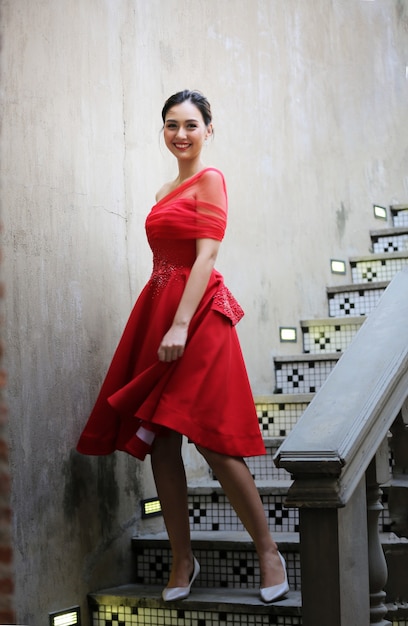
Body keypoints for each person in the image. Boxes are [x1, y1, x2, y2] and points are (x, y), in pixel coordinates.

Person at [76, 89, 289, 603]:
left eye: (191, 125)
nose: (180, 134)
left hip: (199, 319)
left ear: (208, 130)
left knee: (212, 440)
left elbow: (206, 257)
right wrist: (163, 322)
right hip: (158, 311)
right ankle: (182, 558)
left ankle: (268, 551)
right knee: (162, 443)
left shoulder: (210, 180)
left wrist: (180, 323)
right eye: (171, 125)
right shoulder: (161, 191)